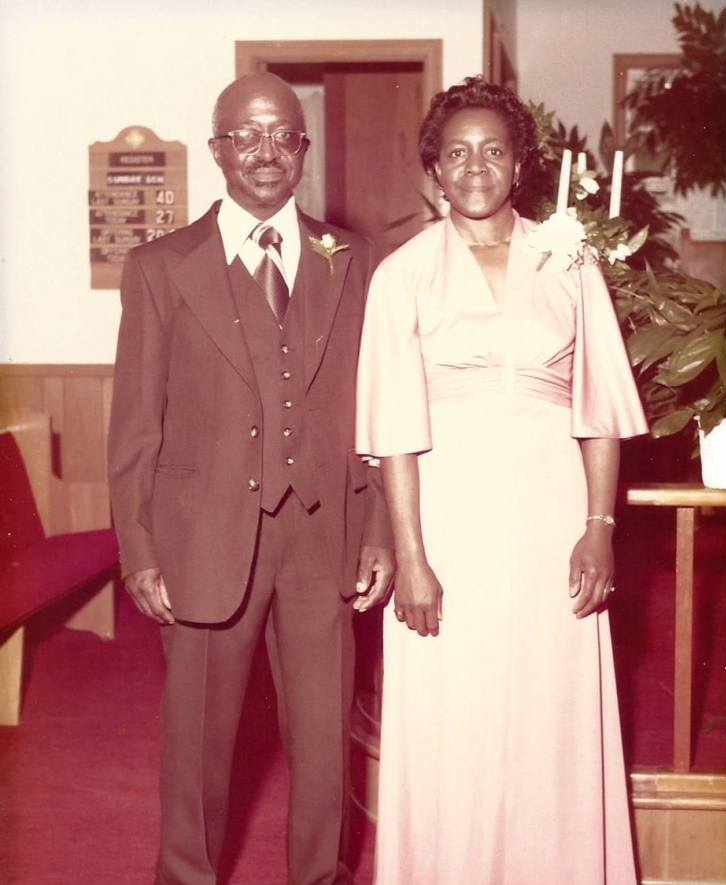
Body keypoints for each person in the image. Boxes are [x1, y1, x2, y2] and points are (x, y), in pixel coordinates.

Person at [356, 76, 648, 885]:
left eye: (492, 149)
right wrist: (412, 556)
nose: (475, 165)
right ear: (433, 172)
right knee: (458, 713)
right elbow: (393, 439)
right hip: (448, 521)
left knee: (549, 710)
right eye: (456, 152)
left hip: (552, 517)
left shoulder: (570, 262)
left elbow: (598, 410)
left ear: (520, 163)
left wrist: (599, 525)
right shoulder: (402, 275)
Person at [108, 72, 394, 885]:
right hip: (202, 538)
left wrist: (377, 528)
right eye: (247, 135)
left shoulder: (353, 259)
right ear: (217, 150)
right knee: (196, 741)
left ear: (303, 150)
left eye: (284, 136)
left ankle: (320, 875)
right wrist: (140, 549)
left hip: (321, 535)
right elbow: (134, 424)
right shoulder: (162, 267)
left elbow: (373, 410)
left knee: (321, 735)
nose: (266, 152)